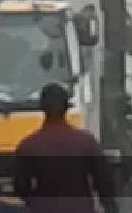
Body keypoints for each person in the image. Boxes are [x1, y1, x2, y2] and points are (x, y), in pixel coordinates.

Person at [12, 83, 117, 213]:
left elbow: (20, 187)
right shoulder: (86, 142)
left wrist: (34, 202)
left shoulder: (28, 146)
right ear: (67, 107)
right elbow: (104, 181)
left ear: (42, 107)